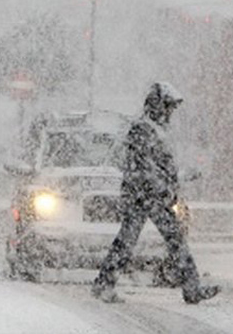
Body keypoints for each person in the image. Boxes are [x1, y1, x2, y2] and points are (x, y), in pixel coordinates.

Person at [91, 82, 220, 304]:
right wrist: (163, 188)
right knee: (172, 240)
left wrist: (179, 178)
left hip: (147, 195)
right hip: (147, 196)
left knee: (132, 240)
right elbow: (145, 168)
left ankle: (105, 283)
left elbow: (159, 168)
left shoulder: (153, 130)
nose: (170, 113)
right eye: (168, 107)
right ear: (158, 106)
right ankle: (191, 288)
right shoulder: (143, 129)